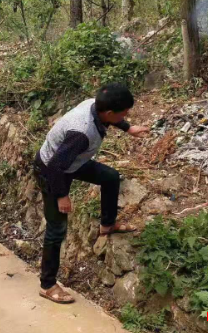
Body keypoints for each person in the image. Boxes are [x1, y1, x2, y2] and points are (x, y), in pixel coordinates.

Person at [33, 83, 150, 304]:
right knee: (56, 229)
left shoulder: (94, 105)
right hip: (51, 170)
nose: (125, 116)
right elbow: (56, 166)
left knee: (110, 177)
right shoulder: (81, 133)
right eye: (124, 114)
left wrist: (128, 128)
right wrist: (62, 195)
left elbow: (111, 118)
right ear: (109, 112)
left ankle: (107, 225)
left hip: (72, 162)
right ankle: (47, 285)